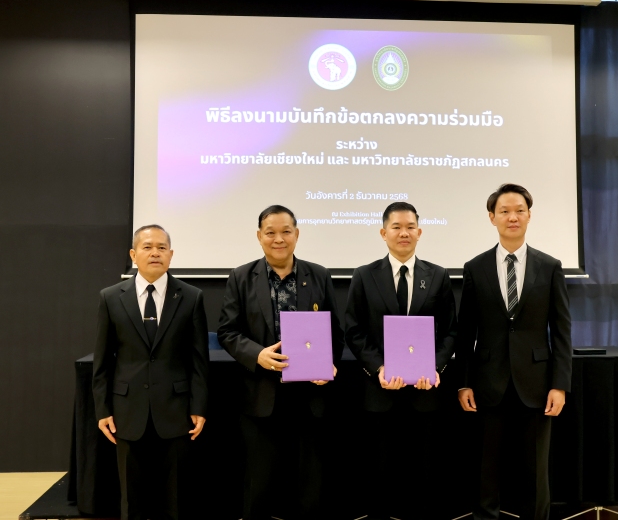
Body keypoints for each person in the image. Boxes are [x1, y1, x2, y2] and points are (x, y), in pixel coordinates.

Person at [217, 205, 344, 520]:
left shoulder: (319, 275)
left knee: (309, 485)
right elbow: (227, 332)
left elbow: (334, 331)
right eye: (270, 232)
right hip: (261, 395)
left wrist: (328, 363)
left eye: (286, 231)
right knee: (258, 484)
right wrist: (257, 355)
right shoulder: (241, 277)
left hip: (309, 396)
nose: (279, 239)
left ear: (297, 234)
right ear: (259, 236)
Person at [456, 184, 572, 520]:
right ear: (491, 217)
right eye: (504, 211)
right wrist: (463, 382)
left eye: (519, 210)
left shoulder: (549, 266)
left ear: (529, 216)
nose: (512, 217)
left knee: (535, 471)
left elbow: (562, 330)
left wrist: (560, 384)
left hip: (536, 384)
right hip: (487, 382)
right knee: (486, 468)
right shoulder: (475, 267)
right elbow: (465, 332)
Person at [344, 201, 458, 520]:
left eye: (410, 227)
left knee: (423, 471)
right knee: (380, 469)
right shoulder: (364, 275)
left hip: (425, 391)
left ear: (419, 232)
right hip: (380, 390)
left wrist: (434, 366)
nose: (403, 233)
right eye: (396, 227)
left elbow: (450, 331)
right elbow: (353, 330)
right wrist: (378, 367)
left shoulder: (438, 276)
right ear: (384, 233)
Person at [92, 225, 209, 520]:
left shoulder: (191, 297)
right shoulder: (110, 297)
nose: (155, 253)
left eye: (161, 247)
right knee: (132, 500)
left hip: (176, 411)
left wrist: (198, 406)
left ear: (171, 254)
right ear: (133, 255)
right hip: (127, 411)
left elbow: (199, 360)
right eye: (147, 247)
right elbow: (102, 361)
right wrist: (102, 409)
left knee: (175, 498)